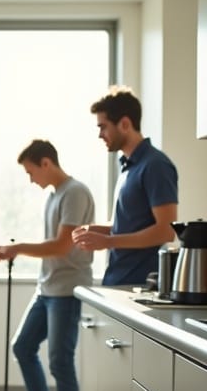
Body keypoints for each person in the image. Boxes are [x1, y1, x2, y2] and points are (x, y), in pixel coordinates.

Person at [0, 140, 95, 391]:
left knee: (60, 362)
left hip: (67, 289)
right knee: (22, 346)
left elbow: (63, 246)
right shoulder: (54, 196)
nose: (30, 179)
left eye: (31, 171)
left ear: (46, 163)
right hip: (47, 287)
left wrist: (17, 248)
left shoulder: (74, 192)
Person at [72, 86, 178, 285]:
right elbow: (125, 226)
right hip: (120, 280)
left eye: (103, 127)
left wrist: (108, 242)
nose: (100, 135)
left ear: (125, 123)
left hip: (141, 285)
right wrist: (93, 230)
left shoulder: (155, 165)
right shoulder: (127, 167)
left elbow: (166, 230)